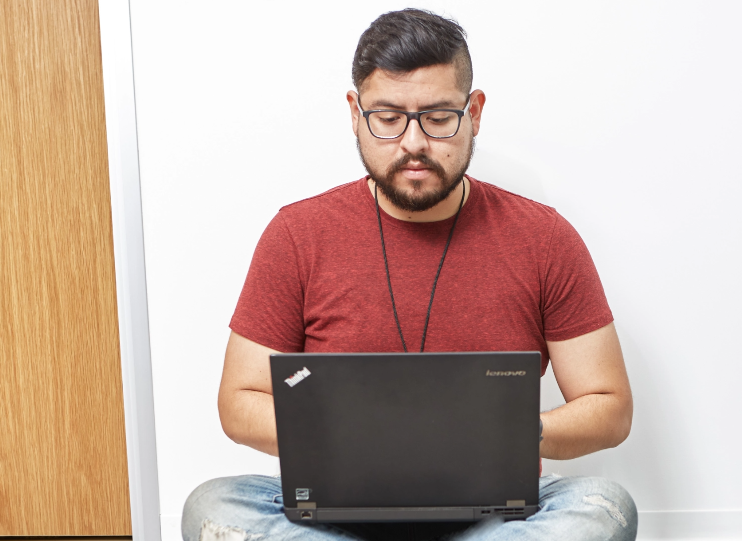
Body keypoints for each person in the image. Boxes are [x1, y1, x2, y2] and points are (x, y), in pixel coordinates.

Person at [182, 8, 637, 541]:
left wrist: (514, 431)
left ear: (475, 112)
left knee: (603, 506)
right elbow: (238, 402)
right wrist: (371, 434)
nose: (414, 142)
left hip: (492, 518)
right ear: (355, 113)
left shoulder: (543, 236)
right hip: (337, 513)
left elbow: (610, 408)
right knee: (212, 505)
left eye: (439, 116)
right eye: (388, 117)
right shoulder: (297, 234)